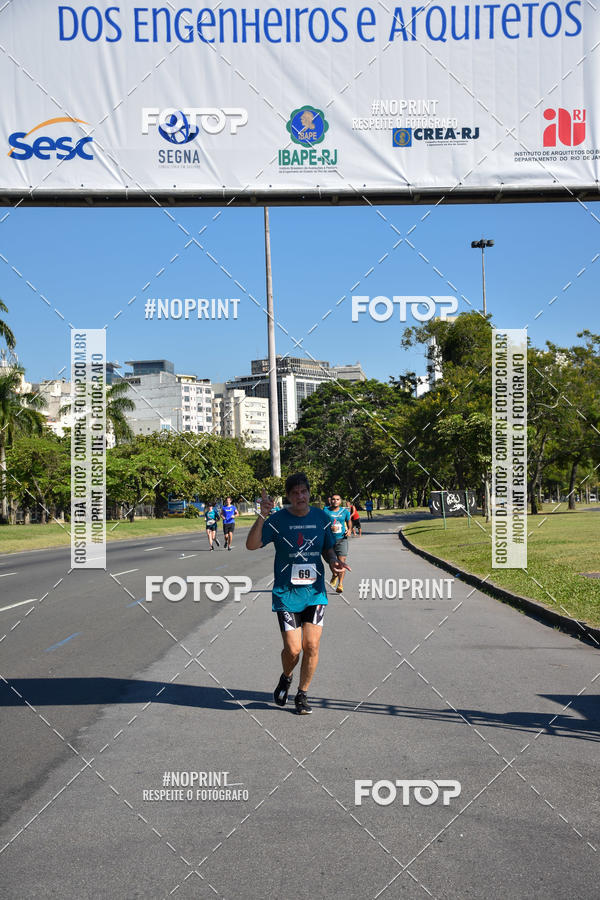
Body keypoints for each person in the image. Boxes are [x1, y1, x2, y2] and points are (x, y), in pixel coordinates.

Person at [246, 473, 350, 715]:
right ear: (289, 497)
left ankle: (302, 694)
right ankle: (286, 676)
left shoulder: (320, 517)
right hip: (286, 594)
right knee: (293, 649)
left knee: (311, 645)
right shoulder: (277, 520)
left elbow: (328, 548)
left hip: (314, 593)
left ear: (309, 493)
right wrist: (263, 515)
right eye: (295, 493)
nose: (300, 496)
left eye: (303, 491)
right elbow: (251, 545)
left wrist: (334, 561)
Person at [324, 493, 351, 594]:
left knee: (341, 562)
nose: (335, 501)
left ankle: (340, 584)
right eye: (333, 499)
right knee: (332, 561)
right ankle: (334, 574)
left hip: (342, 540)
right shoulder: (326, 511)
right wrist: (328, 527)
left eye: (337, 499)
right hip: (329, 540)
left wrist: (349, 530)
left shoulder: (344, 511)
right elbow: (322, 522)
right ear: (331, 500)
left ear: (340, 501)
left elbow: (349, 521)